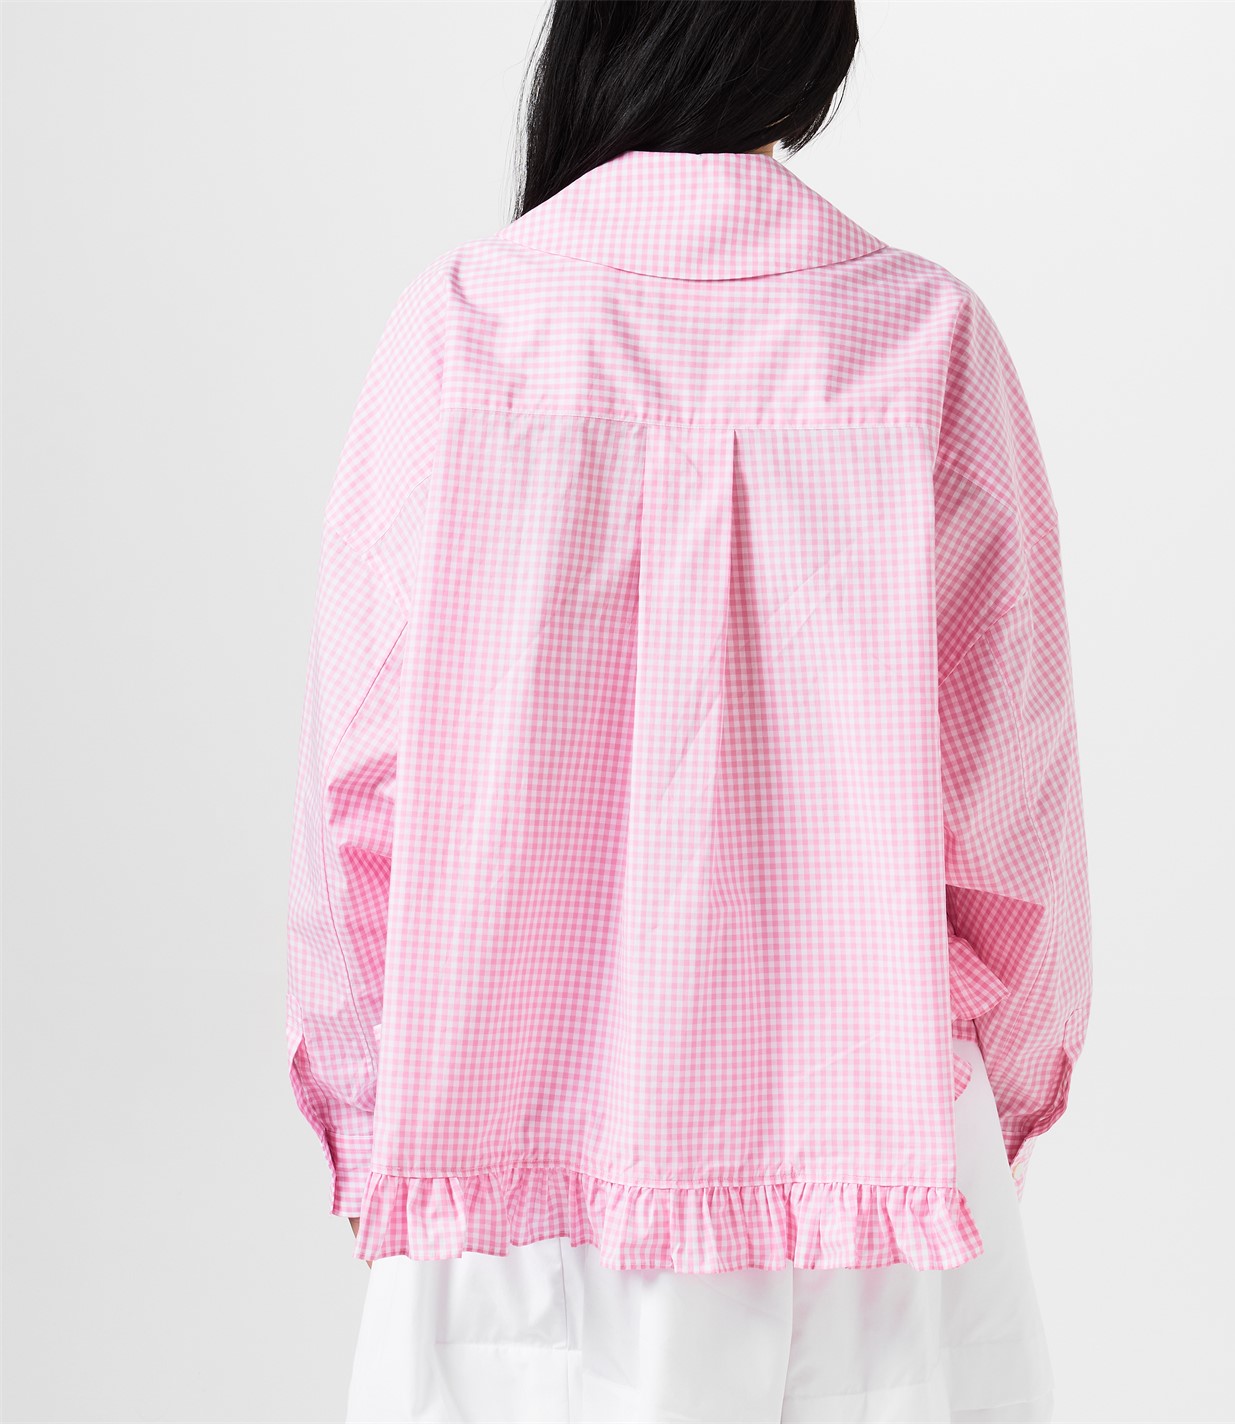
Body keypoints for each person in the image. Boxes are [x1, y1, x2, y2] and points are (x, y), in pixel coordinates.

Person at [284, 2, 1093, 1420]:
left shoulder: (463, 326)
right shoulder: (924, 335)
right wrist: (995, 1088)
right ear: (807, 55)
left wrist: (372, 1109)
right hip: (865, 1169)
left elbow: (362, 776)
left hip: (508, 1169)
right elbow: (1008, 799)